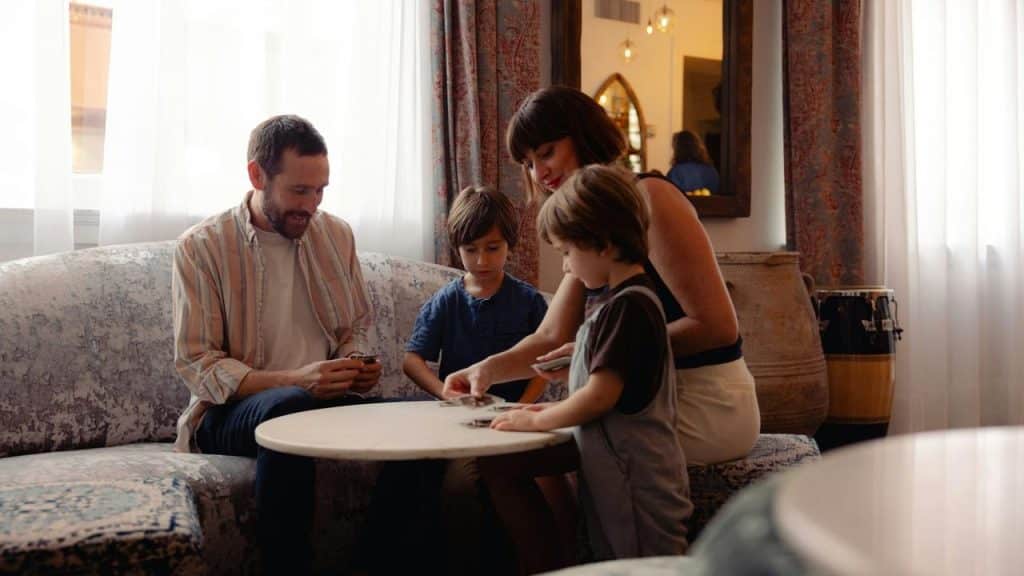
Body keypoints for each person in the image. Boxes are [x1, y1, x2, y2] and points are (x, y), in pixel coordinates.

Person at [444, 85, 760, 467]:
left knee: (511, 457)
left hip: (705, 399)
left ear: (584, 137)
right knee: (500, 455)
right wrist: (486, 370)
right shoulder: (589, 226)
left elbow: (717, 327)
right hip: (647, 395)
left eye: (546, 153)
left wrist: (597, 352)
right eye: (527, 163)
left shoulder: (649, 198)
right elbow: (551, 336)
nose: (539, 173)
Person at [172, 114, 382, 575]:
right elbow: (197, 363)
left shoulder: (336, 234)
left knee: (405, 434)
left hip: (319, 400)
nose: (311, 205)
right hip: (231, 412)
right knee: (288, 410)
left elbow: (356, 327)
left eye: (321, 190)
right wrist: (296, 380)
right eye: (298, 191)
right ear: (256, 176)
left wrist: (354, 362)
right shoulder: (202, 247)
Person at [492, 164, 692, 559]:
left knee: (642, 568)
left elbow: (600, 397)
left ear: (603, 244)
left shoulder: (630, 308)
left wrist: (536, 420)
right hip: (615, 476)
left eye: (567, 252)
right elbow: (605, 389)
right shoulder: (617, 304)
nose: (565, 266)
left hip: (638, 483)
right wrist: (548, 404)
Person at [404, 185, 548, 402]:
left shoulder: (529, 301)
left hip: (513, 414)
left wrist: (522, 406)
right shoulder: (446, 300)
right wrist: (444, 392)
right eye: (470, 250)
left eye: (492, 248)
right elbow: (411, 360)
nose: (482, 261)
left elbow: (544, 359)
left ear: (509, 245)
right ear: (457, 248)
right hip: (458, 414)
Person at [667, 130, 720, 195]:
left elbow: (671, 196)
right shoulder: (711, 170)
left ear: (679, 149)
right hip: (710, 205)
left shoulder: (675, 172)